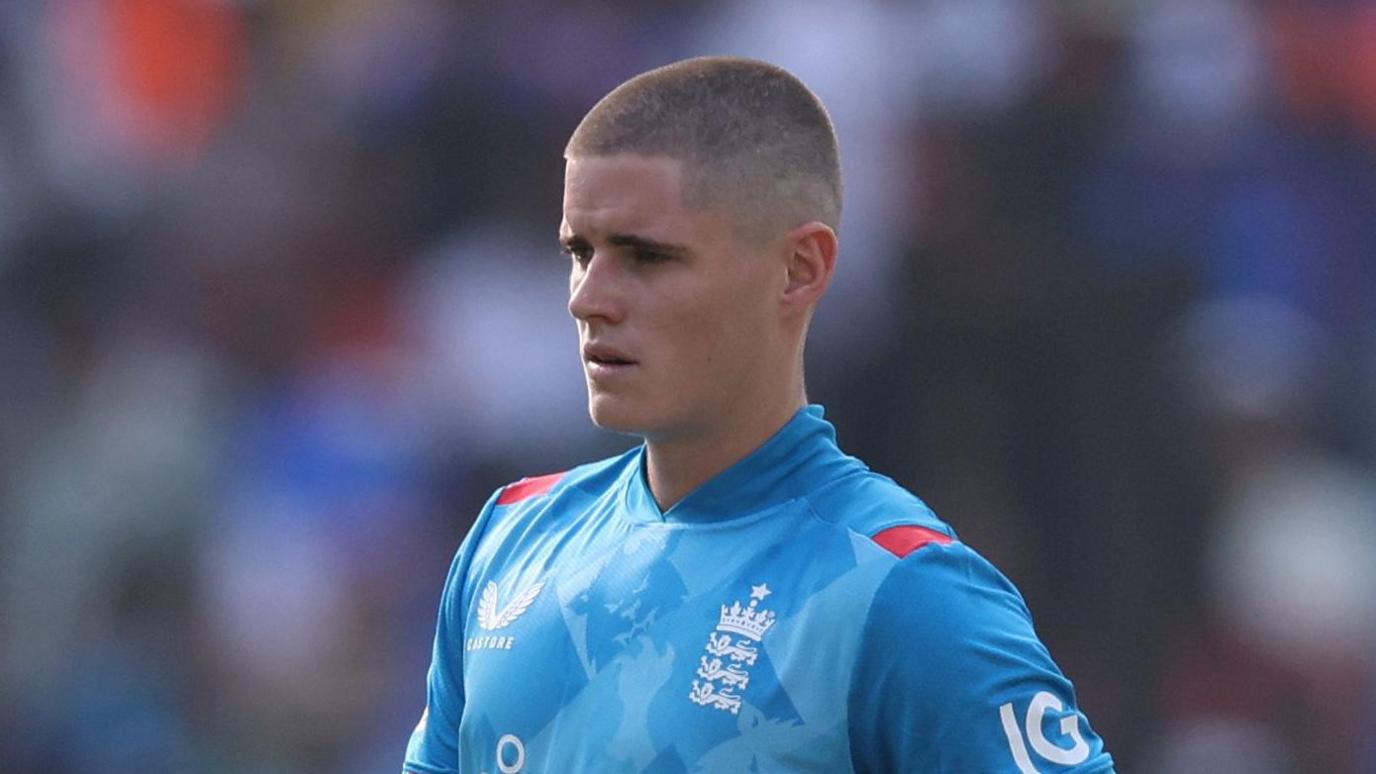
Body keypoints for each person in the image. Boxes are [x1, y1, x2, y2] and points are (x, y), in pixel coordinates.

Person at [404, 56, 1114, 774]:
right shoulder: (510, 542)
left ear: (800, 268)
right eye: (579, 252)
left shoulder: (898, 591)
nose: (588, 298)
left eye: (646, 257)